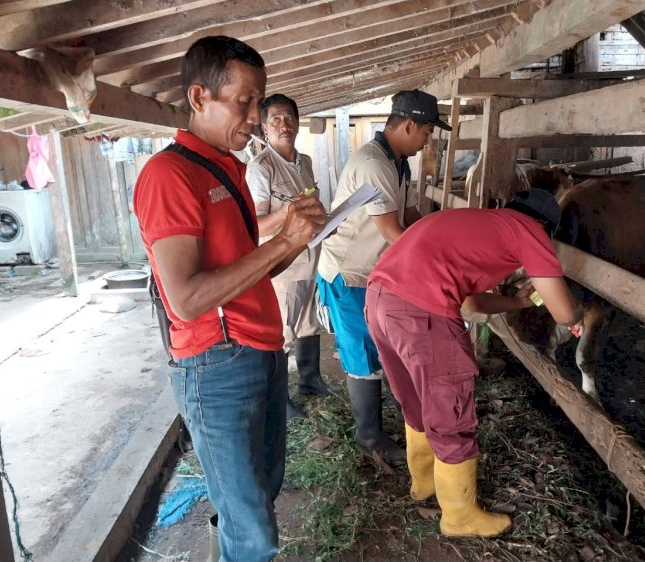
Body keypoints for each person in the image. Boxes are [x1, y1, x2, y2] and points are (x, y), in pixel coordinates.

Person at [133, 36, 326, 562]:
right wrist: (284, 240)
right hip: (216, 363)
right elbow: (188, 299)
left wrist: (297, 242)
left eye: (258, 101)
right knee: (253, 531)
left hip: (259, 349)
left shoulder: (230, 168)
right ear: (199, 98)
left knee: (258, 500)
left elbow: (250, 270)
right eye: (244, 101)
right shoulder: (169, 175)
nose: (256, 115)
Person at [365, 189, 584, 538]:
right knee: (450, 409)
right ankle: (459, 516)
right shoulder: (530, 231)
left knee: (417, 402)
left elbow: (470, 305)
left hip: (380, 300)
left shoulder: (477, 223)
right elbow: (562, 310)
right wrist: (578, 314)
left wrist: (516, 302)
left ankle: (424, 484)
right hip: (422, 313)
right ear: (545, 226)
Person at [316, 89, 451, 466]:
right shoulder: (374, 164)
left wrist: (443, 236)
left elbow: (410, 215)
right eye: (426, 132)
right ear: (409, 125)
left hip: (371, 271)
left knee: (378, 345)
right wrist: (436, 262)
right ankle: (369, 438)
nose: (428, 140)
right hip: (348, 272)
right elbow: (394, 231)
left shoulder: (397, 162)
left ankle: (383, 421)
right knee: (362, 352)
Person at [246, 93, 340, 420]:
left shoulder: (305, 162)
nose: (284, 125)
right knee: (283, 332)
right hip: (284, 265)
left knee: (310, 323)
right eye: (275, 119)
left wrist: (326, 221)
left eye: (289, 118)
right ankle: (278, 399)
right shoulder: (261, 169)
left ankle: (311, 381)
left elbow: (311, 209)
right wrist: (289, 212)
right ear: (264, 128)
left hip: (311, 257)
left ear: (297, 123)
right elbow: (255, 227)